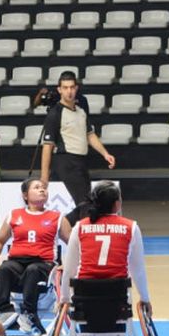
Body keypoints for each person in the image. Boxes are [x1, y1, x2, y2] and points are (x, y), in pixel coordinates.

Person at [0, 178, 71, 334]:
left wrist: (69, 264)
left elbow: (74, 243)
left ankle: (28, 313)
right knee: (4, 269)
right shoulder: (14, 215)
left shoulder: (57, 217)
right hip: (17, 262)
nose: (42, 190)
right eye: (37, 187)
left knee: (33, 270)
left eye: (44, 188)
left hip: (44, 264)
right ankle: (5, 311)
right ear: (25, 195)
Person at [61, 181, 151, 317]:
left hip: (85, 296)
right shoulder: (131, 227)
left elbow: (69, 270)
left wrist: (64, 299)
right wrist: (145, 298)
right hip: (117, 297)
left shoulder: (80, 227)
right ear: (117, 204)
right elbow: (138, 270)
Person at [40, 71, 115, 226]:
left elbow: (90, 135)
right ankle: (64, 231)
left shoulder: (81, 111)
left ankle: (59, 227)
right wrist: (44, 176)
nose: (69, 91)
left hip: (81, 161)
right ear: (59, 89)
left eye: (72, 87)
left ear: (77, 88)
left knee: (86, 204)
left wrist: (105, 154)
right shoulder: (55, 114)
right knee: (86, 205)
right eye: (65, 87)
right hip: (66, 161)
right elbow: (47, 146)